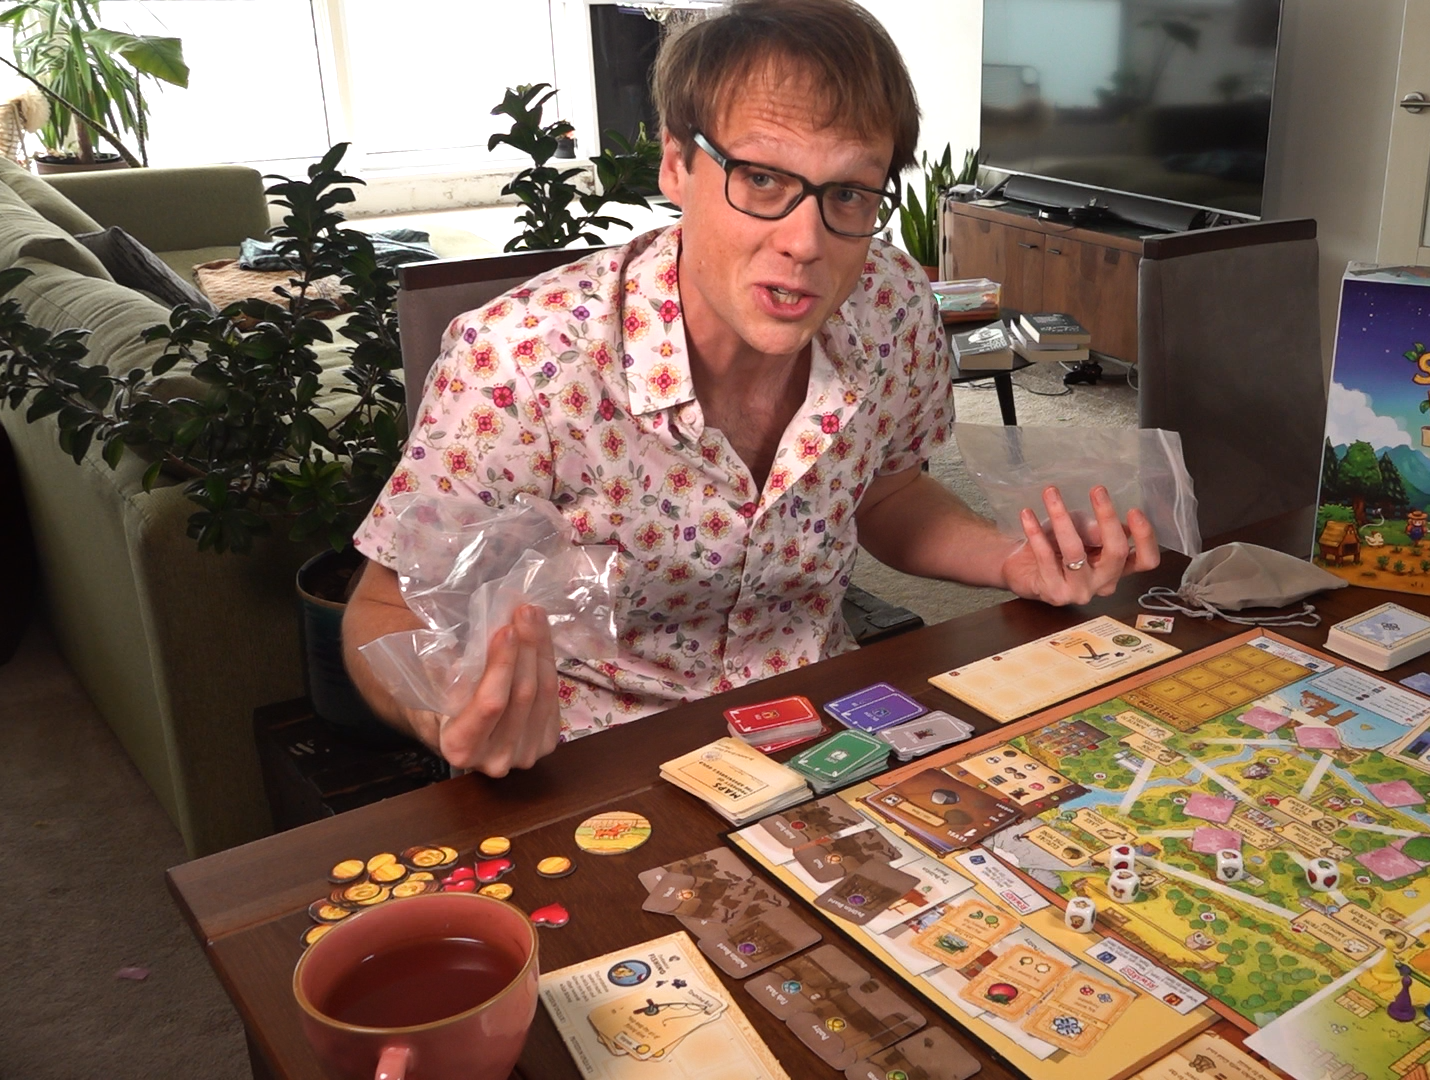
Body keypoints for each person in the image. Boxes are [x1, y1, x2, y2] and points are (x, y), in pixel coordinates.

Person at [342, 0, 1160, 778]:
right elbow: (382, 608)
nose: (805, 242)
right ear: (676, 163)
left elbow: (889, 493)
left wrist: (1014, 560)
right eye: (763, 179)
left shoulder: (891, 303)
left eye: (848, 193)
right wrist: (447, 710)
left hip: (824, 728)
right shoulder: (523, 360)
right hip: (591, 762)